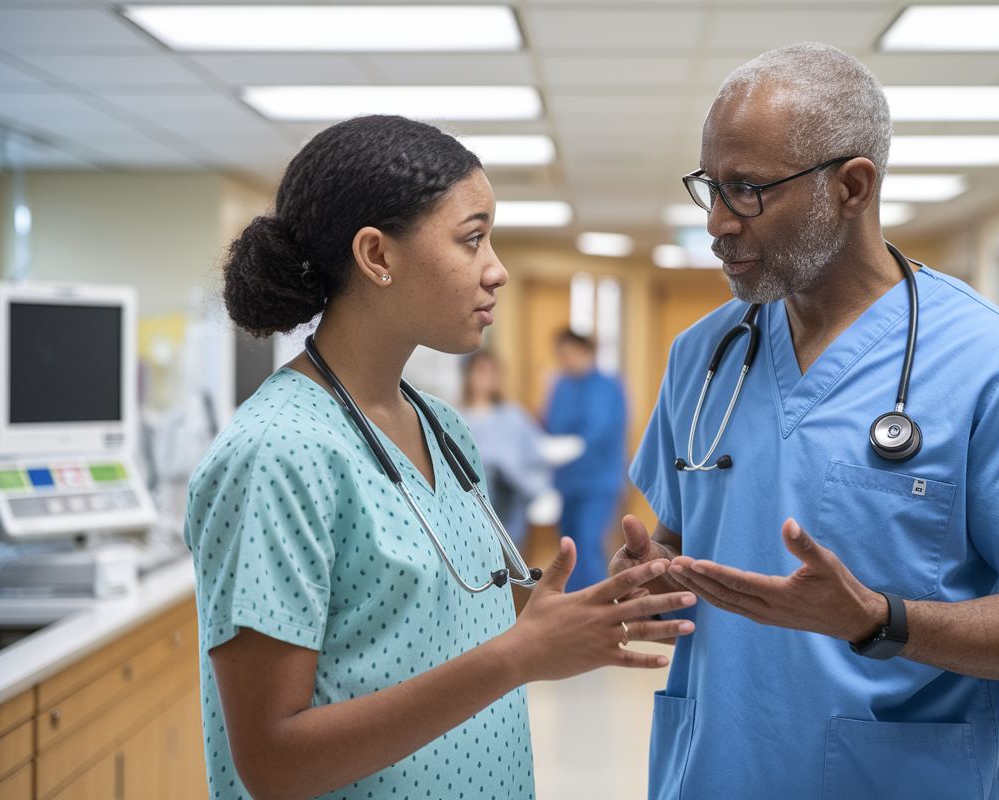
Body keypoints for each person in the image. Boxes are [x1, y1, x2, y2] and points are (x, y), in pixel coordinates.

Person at [611, 44, 999, 800]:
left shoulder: (997, 365)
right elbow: (678, 543)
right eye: (710, 187)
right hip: (708, 775)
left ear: (852, 187)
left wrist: (878, 618)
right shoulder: (702, 356)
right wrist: (648, 580)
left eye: (747, 191)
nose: (717, 224)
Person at [184, 114, 696, 800]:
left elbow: (464, 615)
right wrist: (519, 658)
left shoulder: (443, 427)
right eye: (472, 238)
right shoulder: (277, 454)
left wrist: (602, 604)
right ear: (378, 257)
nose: (498, 270)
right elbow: (275, 763)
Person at [545, 330, 627, 592]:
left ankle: (596, 607)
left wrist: (573, 444)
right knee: (569, 548)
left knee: (588, 544)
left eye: (568, 354)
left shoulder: (608, 386)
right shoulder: (560, 384)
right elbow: (552, 424)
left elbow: (599, 430)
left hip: (598, 482)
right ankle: (572, 608)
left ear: (586, 352)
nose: (564, 361)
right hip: (567, 481)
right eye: (561, 356)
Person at [460, 349, 551, 549]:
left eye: (493, 371)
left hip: (509, 516)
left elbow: (537, 465)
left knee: (509, 572)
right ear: (468, 375)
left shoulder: (514, 418)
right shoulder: (455, 419)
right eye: (481, 370)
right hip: (468, 521)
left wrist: (513, 476)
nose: (487, 377)